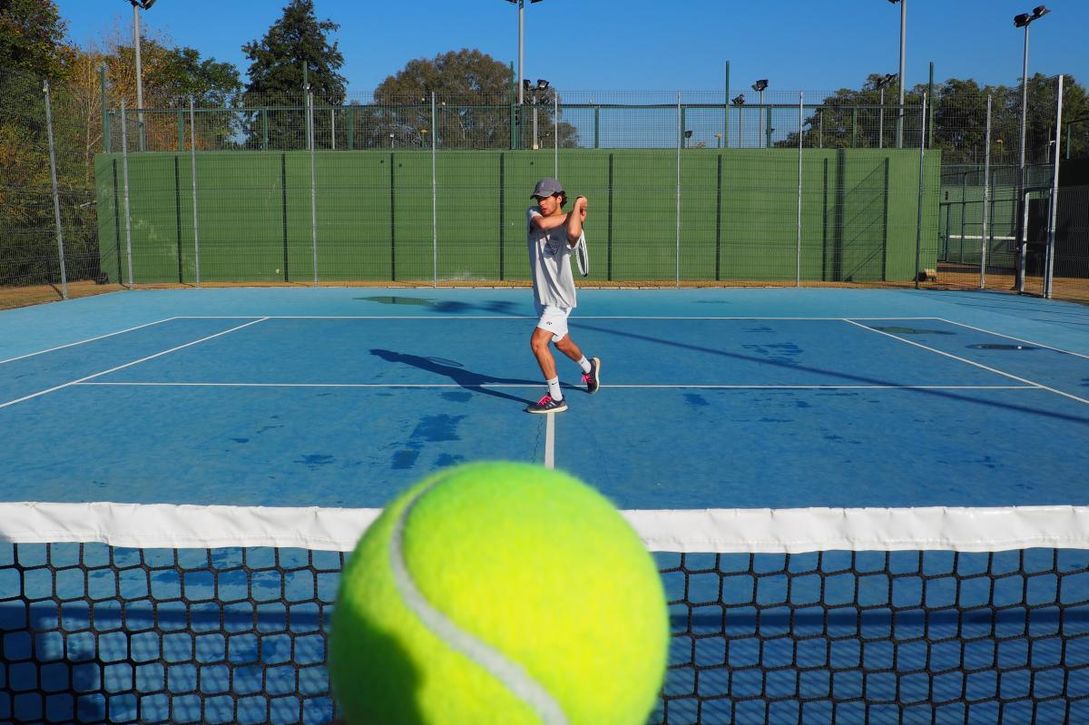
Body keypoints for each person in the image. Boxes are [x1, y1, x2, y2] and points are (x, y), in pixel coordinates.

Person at [524, 177, 601, 414]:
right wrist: (576, 210)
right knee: (561, 342)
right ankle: (589, 368)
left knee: (538, 343)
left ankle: (556, 397)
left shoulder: (571, 224)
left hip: (559, 299)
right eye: (539, 197)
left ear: (559, 197)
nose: (541, 202)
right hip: (542, 296)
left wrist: (577, 207)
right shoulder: (532, 213)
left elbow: (575, 233)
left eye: (546, 197)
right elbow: (544, 225)